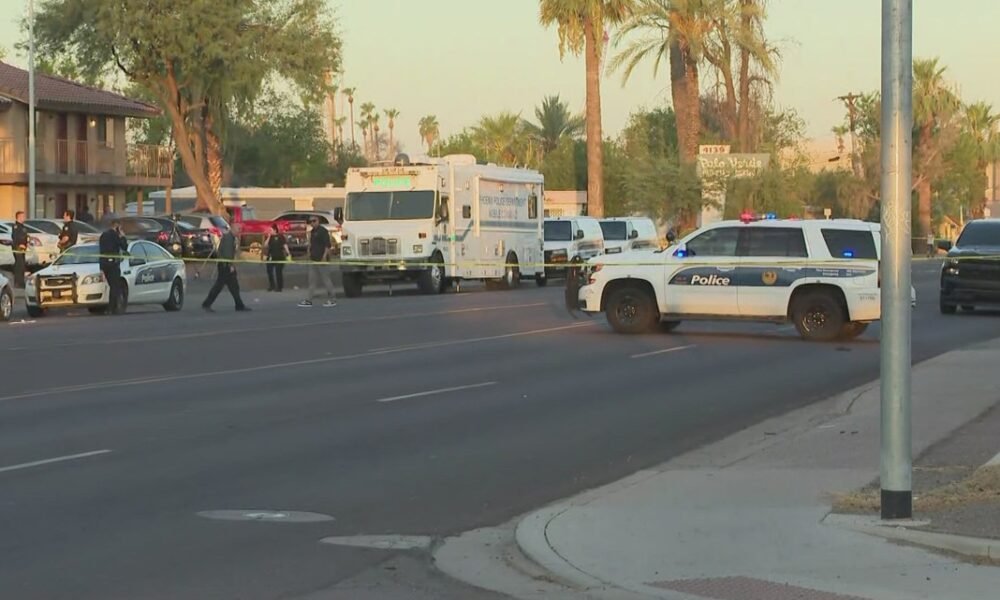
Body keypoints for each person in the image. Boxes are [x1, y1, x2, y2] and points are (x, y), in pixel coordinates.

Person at [202, 223, 250, 312]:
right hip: (225, 266)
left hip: (225, 264)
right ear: (234, 229)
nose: (240, 231)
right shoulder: (228, 238)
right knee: (219, 286)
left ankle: (239, 305)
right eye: (239, 229)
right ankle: (206, 304)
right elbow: (228, 253)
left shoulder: (231, 237)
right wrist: (230, 265)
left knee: (234, 286)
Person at [299, 217, 337, 307]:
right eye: (310, 221)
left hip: (321, 259)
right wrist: (309, 253)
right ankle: (309, 299)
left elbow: (327, 245)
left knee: (326, 279)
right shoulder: (312, 232)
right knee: (312, 280)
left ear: (318, 221)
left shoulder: (323, 231)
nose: (312, 223)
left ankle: (333, 299)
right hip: (313, 259)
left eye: (314, 221)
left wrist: (324, 257)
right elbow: (311, 244)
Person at [99, 219, 129, 315]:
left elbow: (101, 251)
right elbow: (124, 246)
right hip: (113, 264)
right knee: (114, 287)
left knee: (112, 286)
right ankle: (111, 308)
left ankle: (111, 307)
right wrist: (123, 236)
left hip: (104, 263)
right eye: (119, 227)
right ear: (116, 226)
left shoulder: (103, 235)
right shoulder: (114, 235)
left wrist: (101, 268)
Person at [264, 223, 290, 292]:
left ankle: (279, 287)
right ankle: (272, 285)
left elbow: (285, 245)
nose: (269, 231)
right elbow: (265, 245)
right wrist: (269, 237)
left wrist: (288, 253)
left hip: (279, 257)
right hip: (271, 257)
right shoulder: (270, 237)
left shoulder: (280, 236)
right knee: (269, 271)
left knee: (278, 272)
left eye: (271, 230)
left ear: (275, 230)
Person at [11, 211, 29, 289]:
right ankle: (18, 283)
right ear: (18, 217)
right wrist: (19, 244)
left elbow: (24, 237)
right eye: (23, 216)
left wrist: (26, 244)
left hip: (23, 248)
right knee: (19, 265)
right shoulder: (16, 226)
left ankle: (21, 282)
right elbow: (15, 237)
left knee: (22, 265)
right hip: (18, 248)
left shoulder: (23, 226)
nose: (24, 218)